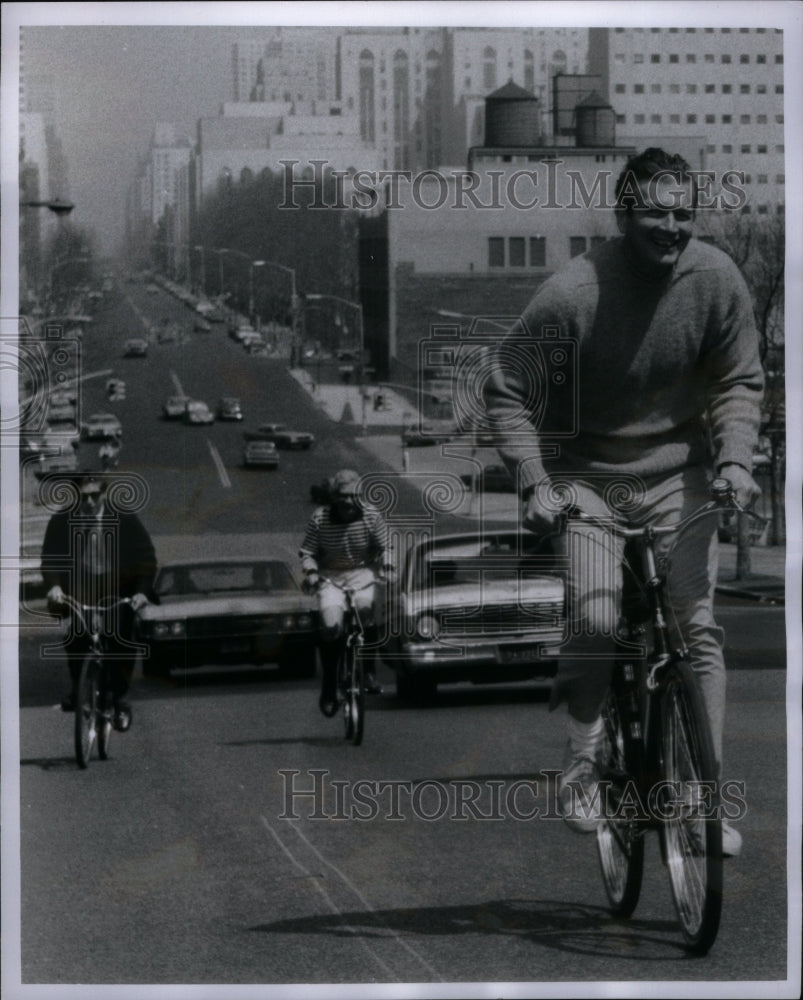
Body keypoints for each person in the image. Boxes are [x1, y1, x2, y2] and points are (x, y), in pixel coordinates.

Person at [484, 148, 763, 857]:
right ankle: (582, 751)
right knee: (596, 612)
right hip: (588, 478)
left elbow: (737, 380)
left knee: (694, 626)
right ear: (622, 215)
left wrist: (734, 461)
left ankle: (703, 800)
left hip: (679, 472)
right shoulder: (575, 291)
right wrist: (534, 483)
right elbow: (507, 390)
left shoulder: (715, 278)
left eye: (681, 214)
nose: (670, 228)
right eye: (653, 214)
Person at [41, 470, 157, 731]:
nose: (90, 502)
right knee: (76, 637)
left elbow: (146, 557)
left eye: (95, 496)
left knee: (122, 634)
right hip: (81, 585)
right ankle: (78, 691)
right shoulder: (62, 521)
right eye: (84, 497)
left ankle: (120, 698)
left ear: (104, 494)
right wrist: (55, 586)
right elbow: (50, 558)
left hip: (118, 584)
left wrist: (141, 592)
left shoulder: (124, 518)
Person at [299, 468, 395, 717]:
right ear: (334, 496)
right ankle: (330, 684)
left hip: (363, 573)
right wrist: (311, 572)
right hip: (331, 576)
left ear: (360, 496)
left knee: (365, 612)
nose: (349, 501)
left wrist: (388, 565)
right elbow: (308, 551)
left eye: (354, 496)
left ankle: (369, 672)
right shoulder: (320, 518)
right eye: (343, 496)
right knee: (331, 626)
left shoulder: (371, 515)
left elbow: (386, 546)